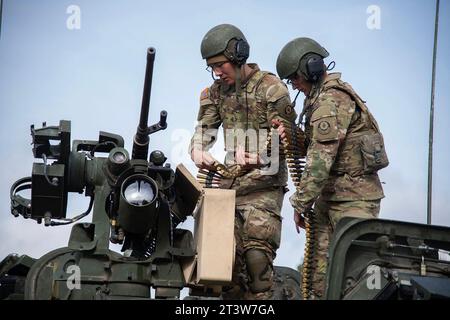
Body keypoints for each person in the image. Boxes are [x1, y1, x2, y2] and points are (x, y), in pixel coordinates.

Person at [275, 37, 389, 299]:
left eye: (295, 78)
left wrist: (300, 203)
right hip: (329, 199)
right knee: (318, 279)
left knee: (353, 279)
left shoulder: (331, 100)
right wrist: (290, 133)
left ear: (310, 69)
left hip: (354, 199)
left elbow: (319, 160)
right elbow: (315, 145)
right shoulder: (315, 99)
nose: (294, 85)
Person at [189, 24, 297, 299]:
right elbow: (203, 131)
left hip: (264, 186)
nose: (217, 72)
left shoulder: (272, 89)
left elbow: (290, 139)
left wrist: (261, 156)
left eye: (220, 64)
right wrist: (197, 151)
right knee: (224, 267)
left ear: (239, 54)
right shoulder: (213, 93)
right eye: (211, 67)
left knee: (257, 259)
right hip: (228, 189)